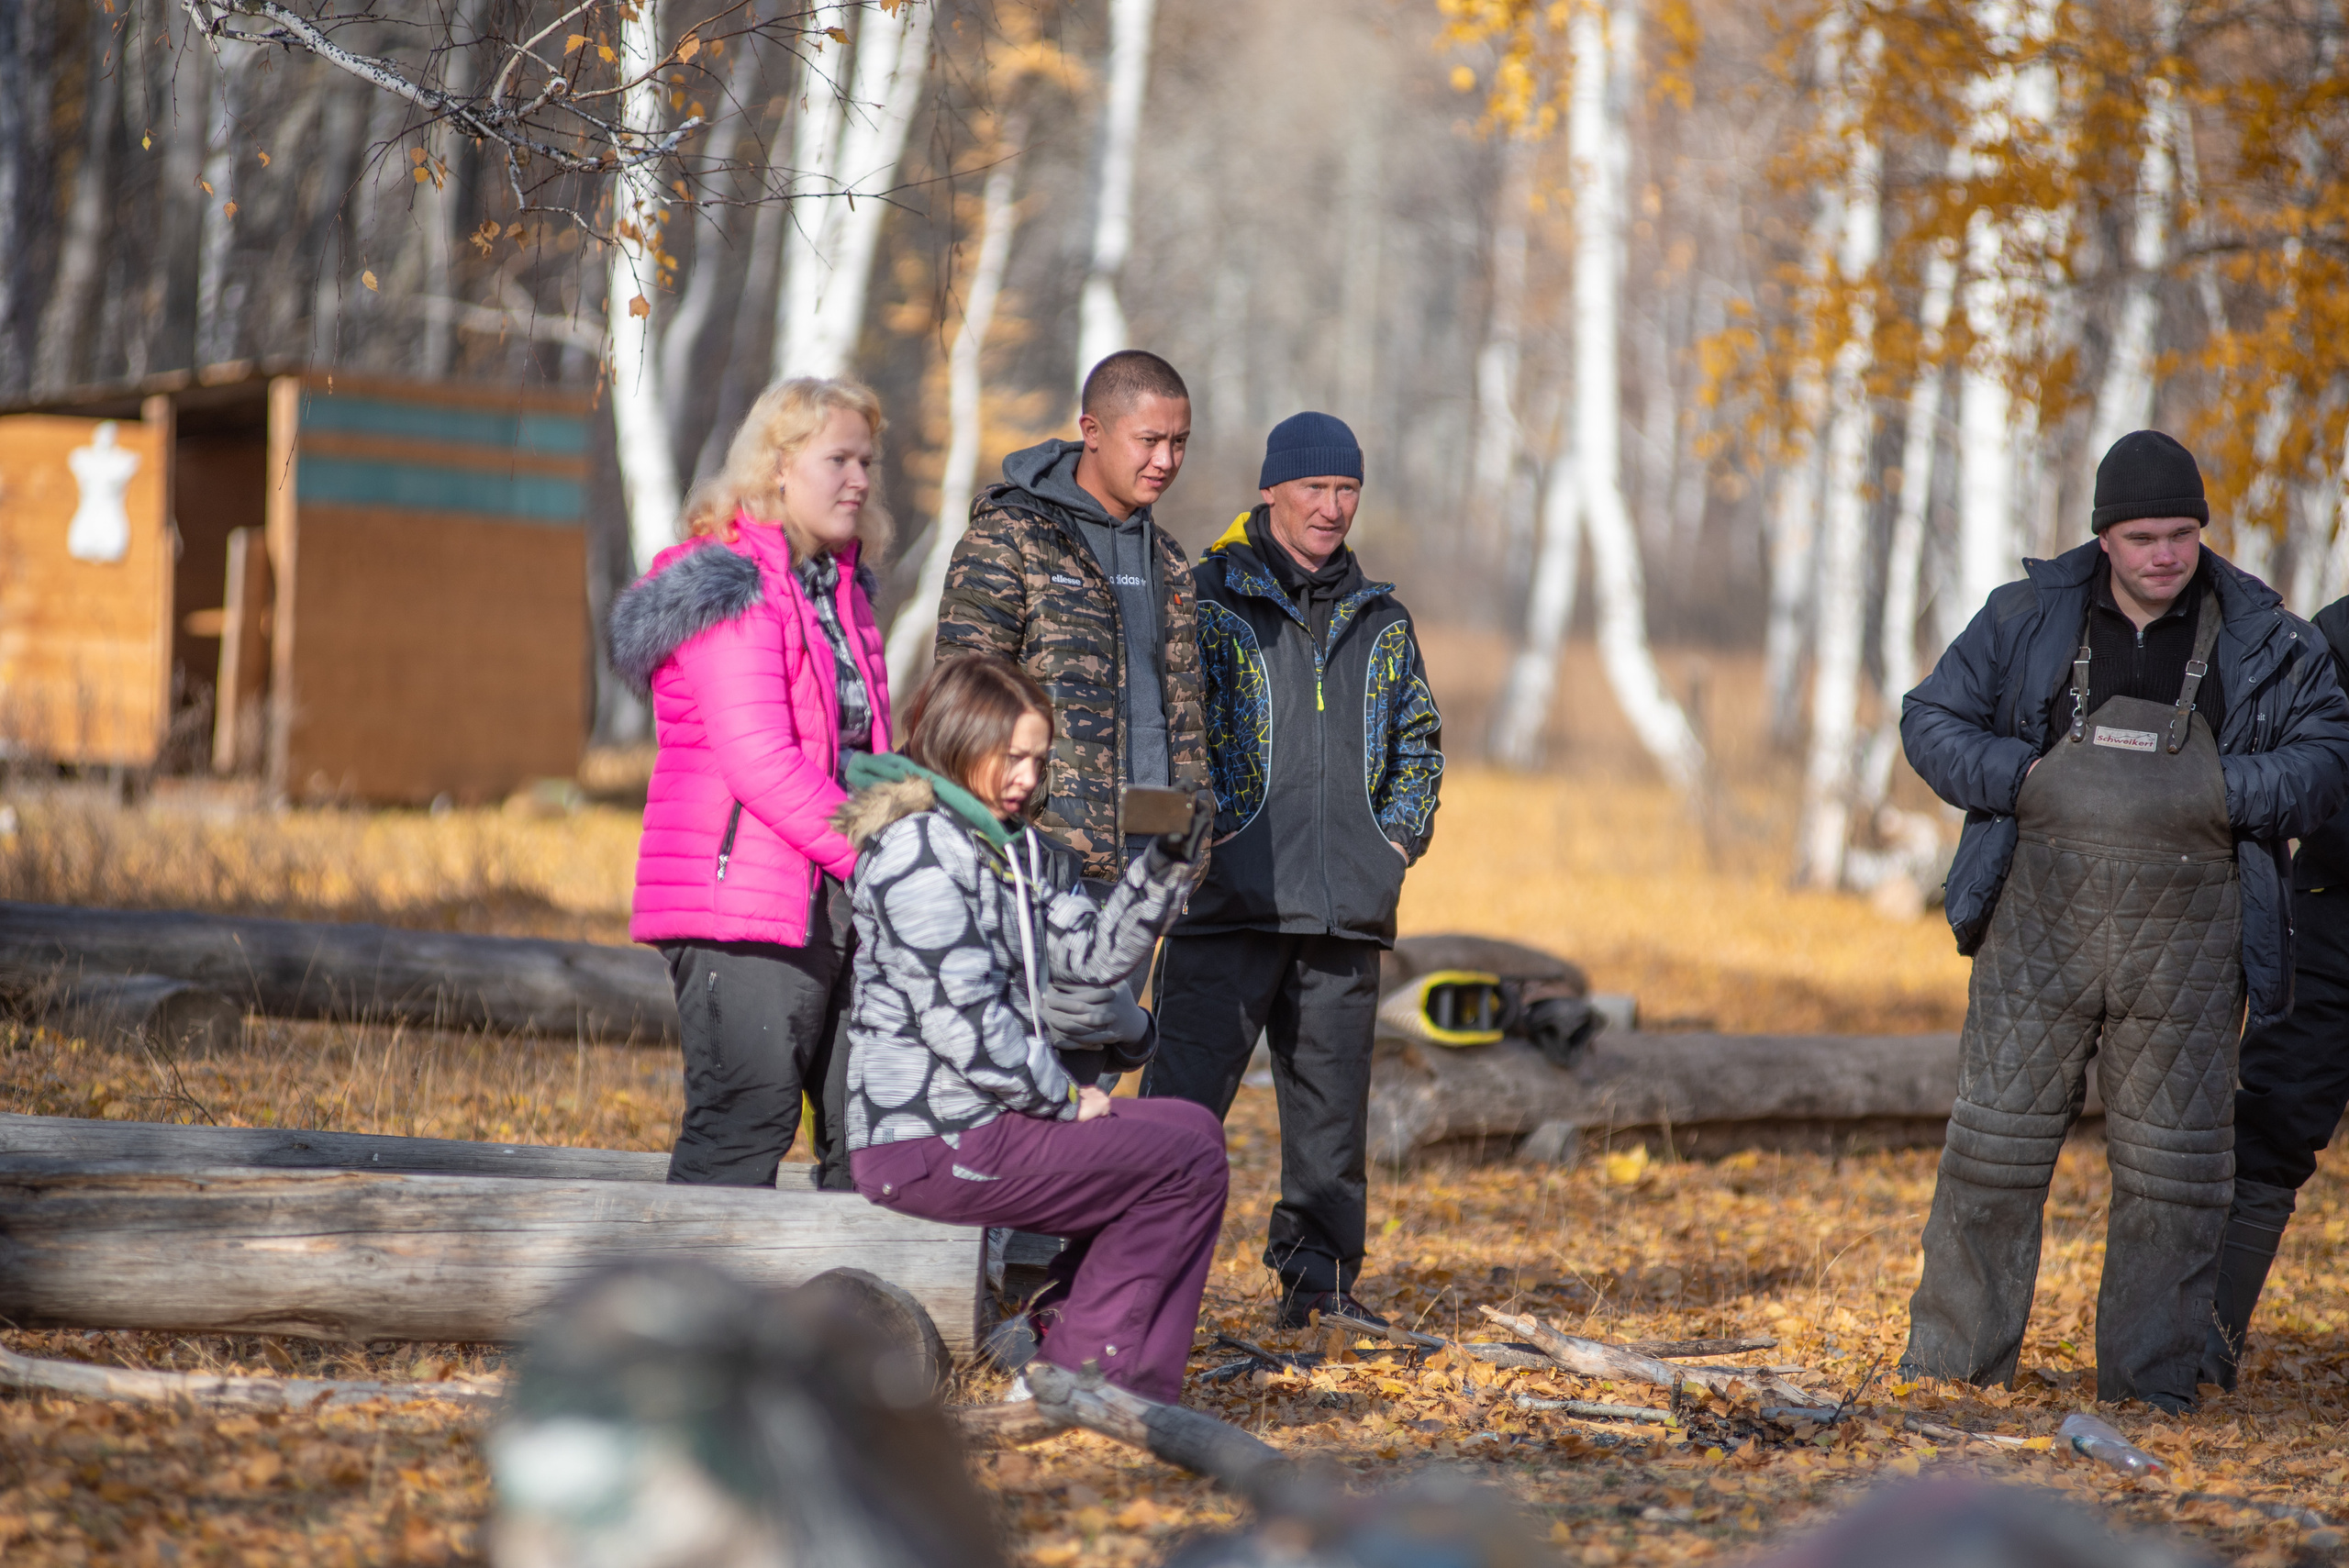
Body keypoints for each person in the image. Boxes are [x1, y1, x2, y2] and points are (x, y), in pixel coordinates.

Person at [1898, 428, 2349, 1411]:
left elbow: (2324, 760)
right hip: (2038, 928)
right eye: (2142, 534)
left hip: (2191, 943)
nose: (2164, 554)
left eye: (2181, 533)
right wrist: (2019, 775)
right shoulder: (2025, 617)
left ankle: (2149, 1390)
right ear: (2103, 536)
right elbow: (1928, 718)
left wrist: (2224, 791)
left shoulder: (2268, 640)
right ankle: (1953, 1377)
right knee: (1993, 1151)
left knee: (2176, 1176)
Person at [836, 653, 1227, 1404]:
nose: (1027, 776)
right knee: (1185, 1164)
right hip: (927, 1138)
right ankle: (1091, 1380)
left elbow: (1092, 958)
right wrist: (1060, 1098)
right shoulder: (919, 849)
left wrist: (1165, 861)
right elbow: (964, 1023)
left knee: (1195, 1131)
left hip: (984, 1120)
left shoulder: (1006, 846)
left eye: (1038, 758)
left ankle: (1064, 1346)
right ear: (959, 740)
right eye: (1011, 756)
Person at [1143, 412, 1444, 1329]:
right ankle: (1137, 1287)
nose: (1331, 506)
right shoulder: (1204, 599)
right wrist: (1201, 845)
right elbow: (1164, 737)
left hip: (1343, 913)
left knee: (1329, 1126)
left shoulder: (1383, 619)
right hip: (1226, 906)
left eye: (1346, 489)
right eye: (1314, 488)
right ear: (1270, 489)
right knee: (1177, 1112)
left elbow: (1419, 744)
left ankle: (1320, 1291)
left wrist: (1392, 840)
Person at [607, 378, 895, 1192]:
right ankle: (688, 1320)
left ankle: (851, 1319)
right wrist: (870, 858)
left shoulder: (842, 593)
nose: (860, 480)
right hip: (744, 904)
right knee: (745, 1119)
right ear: (776, 467)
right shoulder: (731, 585)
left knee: (871, 1129)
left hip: (837, 893)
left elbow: (863, 753)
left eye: (866, 461)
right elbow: (761, 760)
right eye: (838, 458)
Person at [933, 350, 1211, 885]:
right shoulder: (1009, 537)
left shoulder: (1170, 560)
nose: (1166, 461)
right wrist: (1028, 815)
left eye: (1179, 442)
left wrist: (1193, 833)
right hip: (1037, 864)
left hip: (1152, 870)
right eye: (1149, 440)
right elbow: (962, 706)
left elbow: (1183, 716)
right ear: (1093, 431)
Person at [2203, 590, 2349, 1388]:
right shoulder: (2334, 638)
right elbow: (2312, 771)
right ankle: (2202, 1349)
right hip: (2332, 918)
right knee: (2271, 1124)